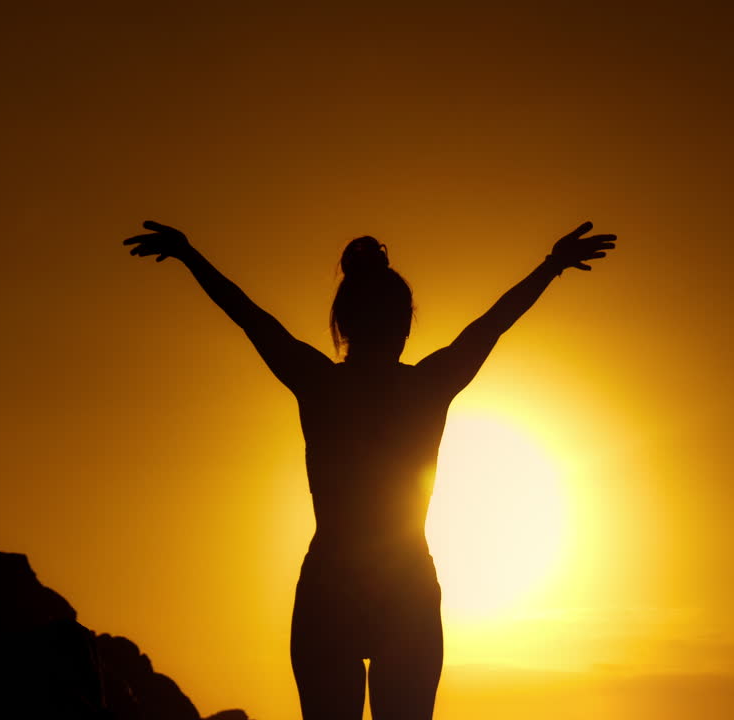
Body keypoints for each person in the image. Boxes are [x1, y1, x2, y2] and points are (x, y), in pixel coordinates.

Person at [123, 220, 615, 720]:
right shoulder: (426, 386)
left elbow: (252, 318)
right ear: (405, 325)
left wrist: (190, 256)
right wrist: (550, 267)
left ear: (343, 326)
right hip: (405, 589)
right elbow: (493, 323)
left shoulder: (320, 383)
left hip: (331, 586)